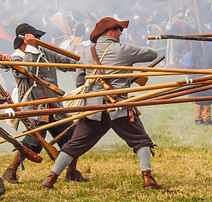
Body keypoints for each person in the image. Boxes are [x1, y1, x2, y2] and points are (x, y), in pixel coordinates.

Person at [40, 17, 161, 189]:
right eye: (119, 29)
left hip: (94, 108)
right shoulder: (123, 49)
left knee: (74, 145)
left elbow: (81, 81)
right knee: (141, 140)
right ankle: (147, 178)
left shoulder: (87, 54)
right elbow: (152, 54)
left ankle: (50, 179)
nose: (121, 33)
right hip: (119, 107)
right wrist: (128, 63)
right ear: (110, 32)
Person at [1, 23, 87, 184]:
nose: (39, 40)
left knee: (73, 139)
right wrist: (32, 48)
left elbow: (68, 62)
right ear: (26, 39)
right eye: (35, 38)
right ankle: (10, 171)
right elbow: (31, 68)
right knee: (32, 144)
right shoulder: (16, 59)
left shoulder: (43, 52)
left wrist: (86, 64)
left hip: (54, 106)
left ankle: (71, 172)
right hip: (35, 109)